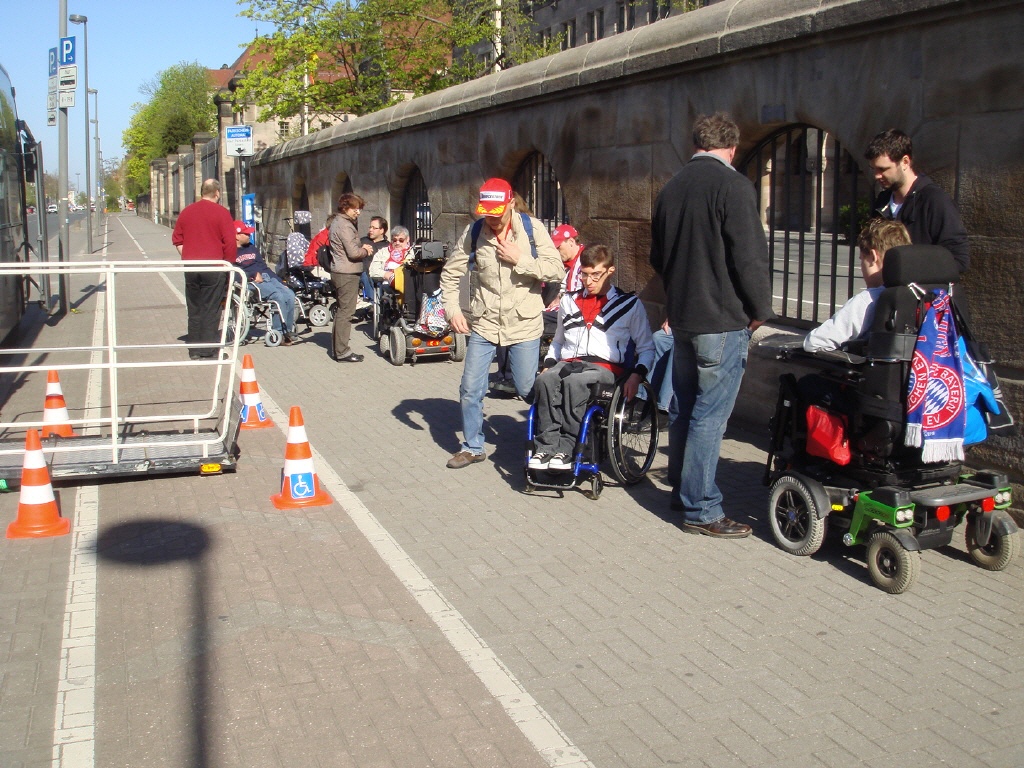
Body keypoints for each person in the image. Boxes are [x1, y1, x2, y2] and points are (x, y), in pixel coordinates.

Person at [650, 113, 774, 539]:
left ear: (696, 144)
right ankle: (701, 508)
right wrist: (760, 309)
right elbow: (750, 257)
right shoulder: (733, 186)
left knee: (686, 409)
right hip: (720, 320)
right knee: (708, 416)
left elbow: (658, 259)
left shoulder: (671, 188)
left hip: (683, 317)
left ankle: (683, 493)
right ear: (732, 148)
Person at [440, 178, 564, 469]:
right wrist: (452, 310)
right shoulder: (474, 231)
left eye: (497, 214)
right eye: (487, 214)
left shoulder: (533, 230)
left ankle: (550, 434)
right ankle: (473, 447)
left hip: (523, 323)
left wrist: (521, 259)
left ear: (510, 204)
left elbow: (556, 269)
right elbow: (450, 274)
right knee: (470, 388)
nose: (492, 220)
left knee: (525, 387)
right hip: (484, 323)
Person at [530, 245, 654, 470]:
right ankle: (545, 448)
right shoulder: (568, 301)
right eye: (584, 274)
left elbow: (647, 347)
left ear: (610, 271)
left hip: (604, 367)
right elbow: (558, 342)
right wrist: (548, 364)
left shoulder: (628, 305)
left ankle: (567, 449)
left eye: (595, 275)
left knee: (575, 383)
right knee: (544, 381)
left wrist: (637, 374)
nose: (588, 281)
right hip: (569, 363)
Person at [865, 129, 969, 273]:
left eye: (883, 169)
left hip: (920, 292)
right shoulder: (882, 201)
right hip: (888, 292)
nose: (877, 176)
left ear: (905, 161)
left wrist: (913, 269)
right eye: (873, 169)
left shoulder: (934, 200)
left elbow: (959, 260)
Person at [804, 219, 911, 352]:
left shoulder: (869, 300)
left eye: (862, 260)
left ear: (873, 257)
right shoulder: (918, 293)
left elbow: (814, 342)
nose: (861, 267)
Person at [171, 179, 236, 360]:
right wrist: (228, 264)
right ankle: (207, 350)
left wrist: (188, 257)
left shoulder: (187, 212)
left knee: (194, 307)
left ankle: (194, 349)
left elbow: (177, 239)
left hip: (192, 266)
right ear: (217, 193)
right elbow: (230, 243)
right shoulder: (222, 213)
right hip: (214, 266)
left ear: (202, 192)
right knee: (211, 307)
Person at [233, 221, 300, 345]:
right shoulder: (230, 251)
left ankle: (288, 330)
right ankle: (279, 332)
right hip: (250, 281)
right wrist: (252, 275)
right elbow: (233, 272)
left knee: (290, 294)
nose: (249, 235)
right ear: (237, 235)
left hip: (266, 276)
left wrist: (280, 281)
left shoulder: (251, 247)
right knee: (278, 296)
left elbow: (264, 267)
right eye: (246, 233)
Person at [329, 193, 374, 362]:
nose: (358, 212)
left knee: (342, 311)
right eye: (356, 209)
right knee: (346, 312)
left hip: (341, 271)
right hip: (346, 273)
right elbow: (353, 252)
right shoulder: (344, 225)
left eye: (359, 209)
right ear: (345, 208)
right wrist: (366, 250)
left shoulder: (339, 222)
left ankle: (338, 348)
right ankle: (342, 352)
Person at [359, 216, 390, 312]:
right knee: (365, 274)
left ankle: (381, 303)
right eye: (370, 227)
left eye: (374, 228)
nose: (371, 230)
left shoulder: (387, 245)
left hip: (380, 273)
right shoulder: (363, 241)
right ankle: (373, 303)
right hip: (364, 272)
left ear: (382, 230)